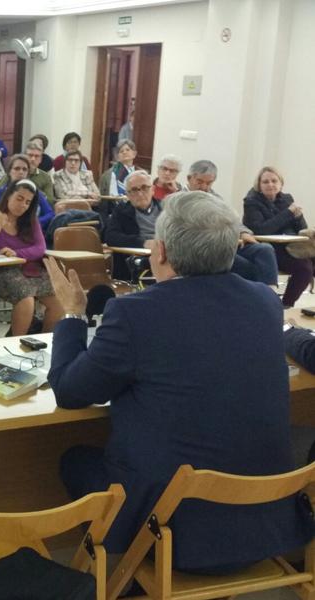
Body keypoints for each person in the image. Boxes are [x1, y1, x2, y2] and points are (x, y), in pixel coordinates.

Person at [46, 190, 313, 573]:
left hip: (173, 533)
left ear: (163, 252)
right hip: (268, 520)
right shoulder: (264, 302)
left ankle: (111, 574)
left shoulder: (135, 314)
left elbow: (70, 392)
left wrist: (72, 314)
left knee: (74, 459)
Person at [0, 179, 63, 335]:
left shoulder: (31, 221)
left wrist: (17, 253)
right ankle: (14, 344)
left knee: (59, 300)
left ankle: (42, 343)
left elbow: (40, 248)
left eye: (27, 202)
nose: (23, 205)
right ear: (8, 196)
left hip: (29, 270)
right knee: (26, 299)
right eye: (19, 199)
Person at [182, 160, 277, 288]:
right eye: (199, 182)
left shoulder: (217, 198)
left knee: (265, 249)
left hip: (229, 244)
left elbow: (233, 220)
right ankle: (263, 298)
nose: (204, 187)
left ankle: (271, 294)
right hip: (205, 249)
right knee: (252, 268)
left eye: (209, 183)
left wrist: (243, 232)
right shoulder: (179, 199)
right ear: (189, 178)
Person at [243, 166, 312, 307]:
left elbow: (302, 229)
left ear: (281, 183)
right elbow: (260, 230)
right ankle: (284, 305)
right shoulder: (251, 202)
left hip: (291, 246)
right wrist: (288, 213)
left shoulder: (287, 199)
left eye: (274, 181)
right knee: (304, 268)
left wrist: (298, 217)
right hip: (268, 248)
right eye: (265, 182)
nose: (270, 185)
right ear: (259, 185)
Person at [103, 170, 160, 280]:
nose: (140, 193)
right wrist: (143, 242)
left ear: (153, 190)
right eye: (134, 190)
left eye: (144, 188)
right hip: (133, 263)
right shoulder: (121, 211)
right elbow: (111, 237)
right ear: (127, 195)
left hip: (163, 259)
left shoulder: (166, 209)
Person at [0, 154, 54, 230]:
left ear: (27, 173)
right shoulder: (0, 192)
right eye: (17, 169)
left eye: (24, 169)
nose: (21, 172)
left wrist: (33, 223)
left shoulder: (35, 192)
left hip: (30, 231)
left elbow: (50, 213)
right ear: (9, 172)